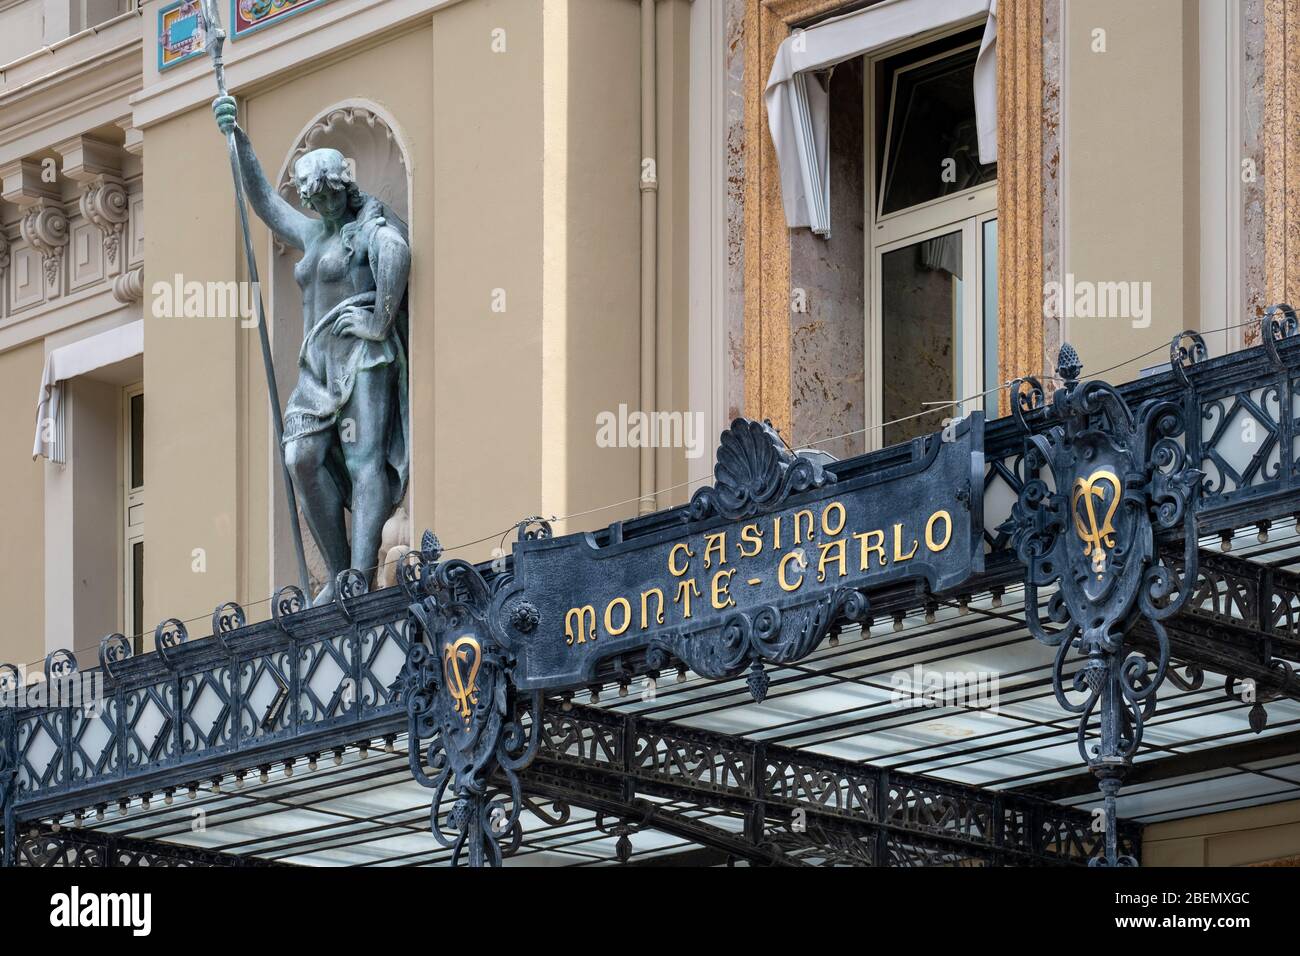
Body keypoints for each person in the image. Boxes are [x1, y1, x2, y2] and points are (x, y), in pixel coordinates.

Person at [213, 94, 410, 603]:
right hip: (316, 366)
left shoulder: (368, 228)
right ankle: (340, 569)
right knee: (301, 457)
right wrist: (238, 141)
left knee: (362, 457)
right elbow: (264, 203)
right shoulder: (312, 231)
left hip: (362, 355)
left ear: (344, 189)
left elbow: (396, 255)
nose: (321, 206)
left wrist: (379, 320)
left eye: (327, 196)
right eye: (313, 198)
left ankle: (358, 577)